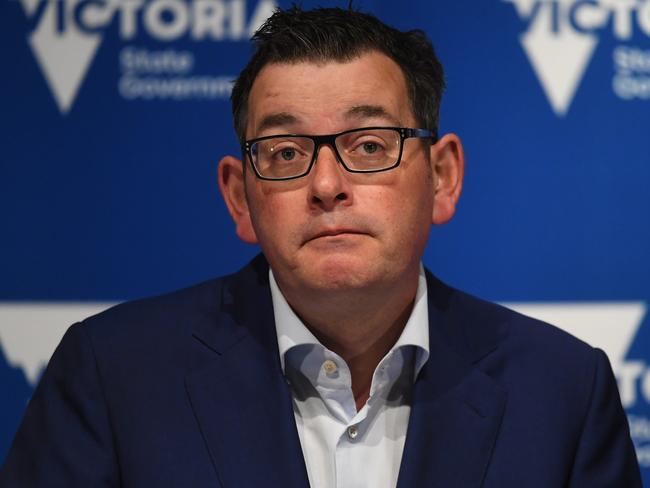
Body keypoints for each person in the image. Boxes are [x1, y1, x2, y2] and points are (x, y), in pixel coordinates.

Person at [0, 6, 641, 488]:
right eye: (286, 152)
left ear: (442, 177)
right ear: (239, 197)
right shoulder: (112, 377)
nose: (327, 185)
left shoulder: (561, 391)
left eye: (368, 145)